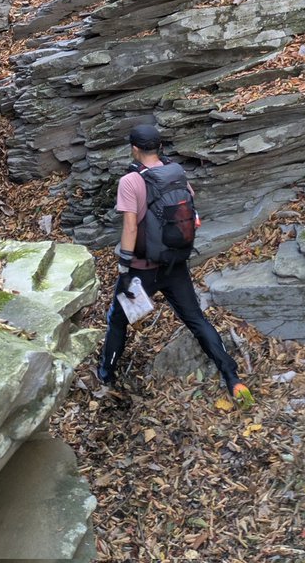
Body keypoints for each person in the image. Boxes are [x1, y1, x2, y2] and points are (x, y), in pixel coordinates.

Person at [97, 124, 254, 409]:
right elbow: (192, 213)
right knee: (196, 319)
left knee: (118, 321)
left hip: (143, 269)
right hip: (175, 264)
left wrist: (123, 265)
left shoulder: (131, 181)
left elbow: (131, 226)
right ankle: (232, 378)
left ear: (134, 148)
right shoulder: (176, 173)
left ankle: (106, 375)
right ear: (159, 147)